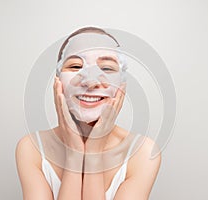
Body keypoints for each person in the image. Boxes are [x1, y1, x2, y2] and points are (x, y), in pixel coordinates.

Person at [16, 26, 161, 200]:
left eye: (106, 69)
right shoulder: (32, 149)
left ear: (121, 86)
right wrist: (75, 154)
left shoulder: (143, 152)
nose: (90, 82)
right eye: (76, 66)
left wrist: (93, 151)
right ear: (58, 82)